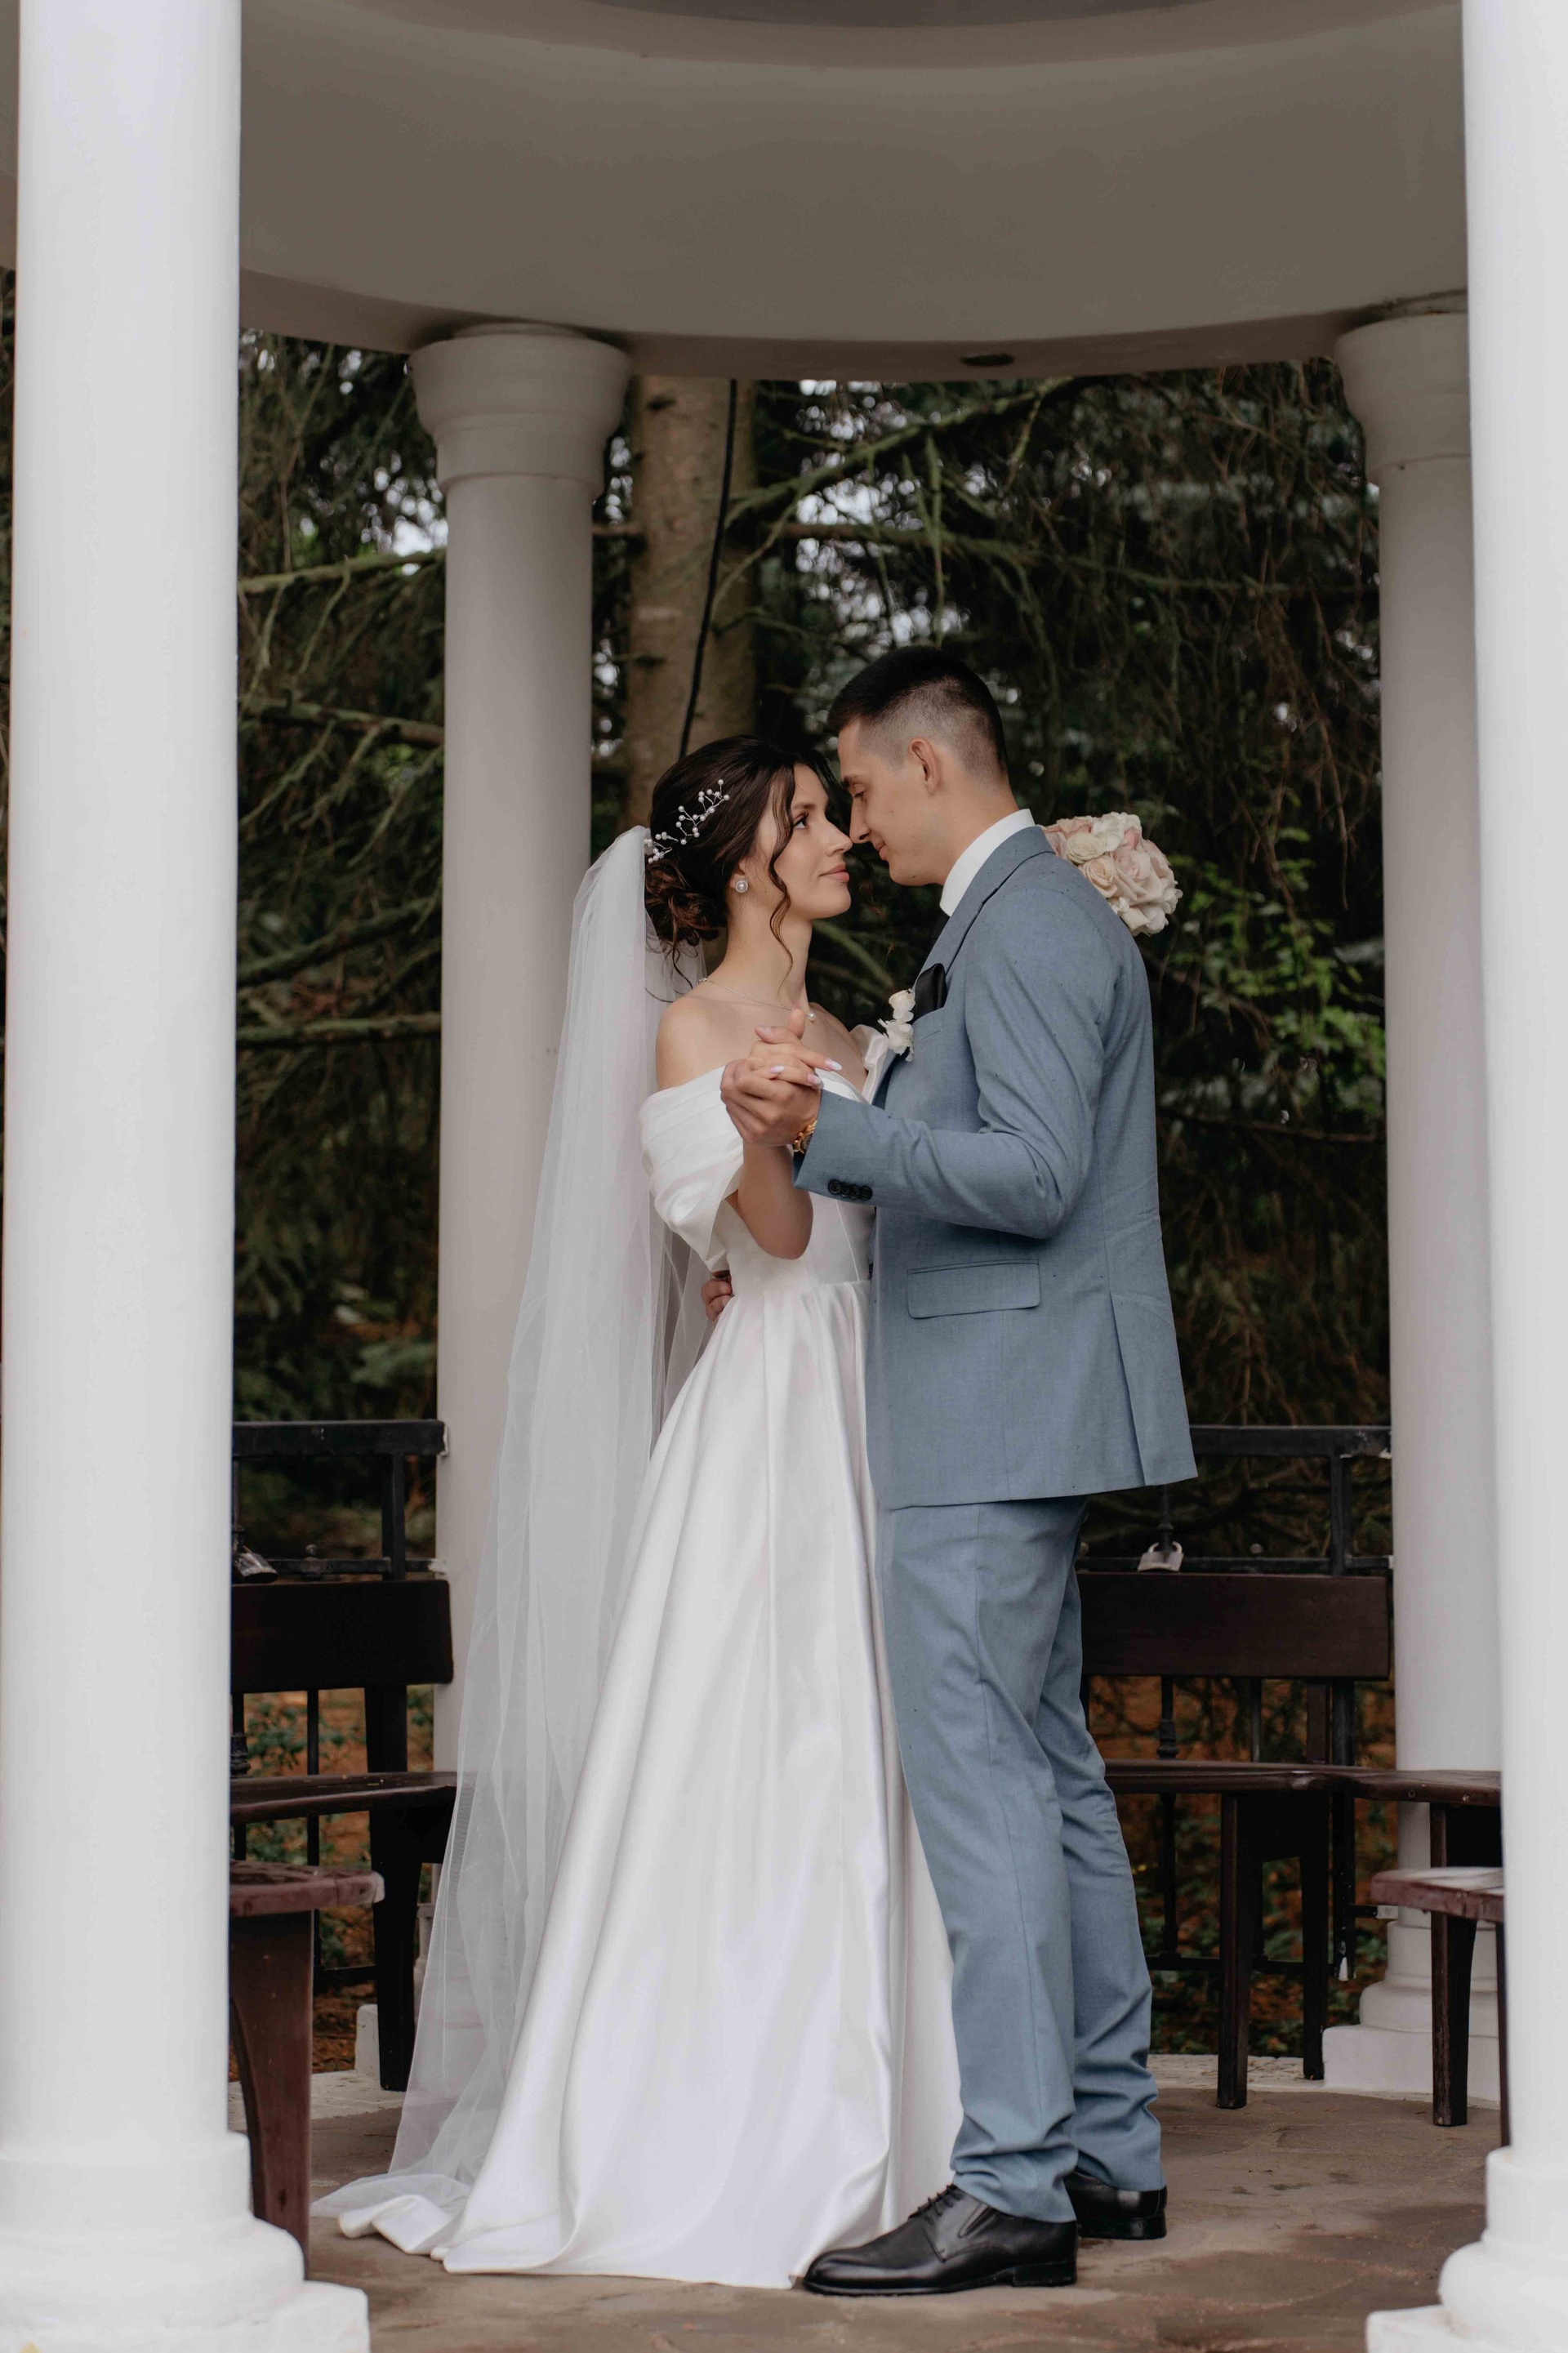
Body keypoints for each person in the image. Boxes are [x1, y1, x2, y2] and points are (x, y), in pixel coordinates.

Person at [317, 737, 963, 2288]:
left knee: (880, 1742)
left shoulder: (852, 1027)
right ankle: (746, 2122)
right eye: (809, 818)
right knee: (773, 1737)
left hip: (877, 1392)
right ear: (747, 862)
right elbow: (779, 1237)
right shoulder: (691, 1029)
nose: (840, 837)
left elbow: (891, 1227)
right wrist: (757, 1120)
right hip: (776, 1409)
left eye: (833, 813)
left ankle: (918, 2120)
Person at [720, 647, 1195, 2297]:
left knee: (987, 1789)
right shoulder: (1015, 920)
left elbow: (1041, 1173)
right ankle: (1104, 2148)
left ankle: (1008, 2182)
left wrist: (830, 1135)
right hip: (1010, 1405)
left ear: (929, 762)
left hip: (990, 1414)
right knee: (1049, 1776)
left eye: (858, 788)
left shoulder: (1032, 925)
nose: (855, 822)